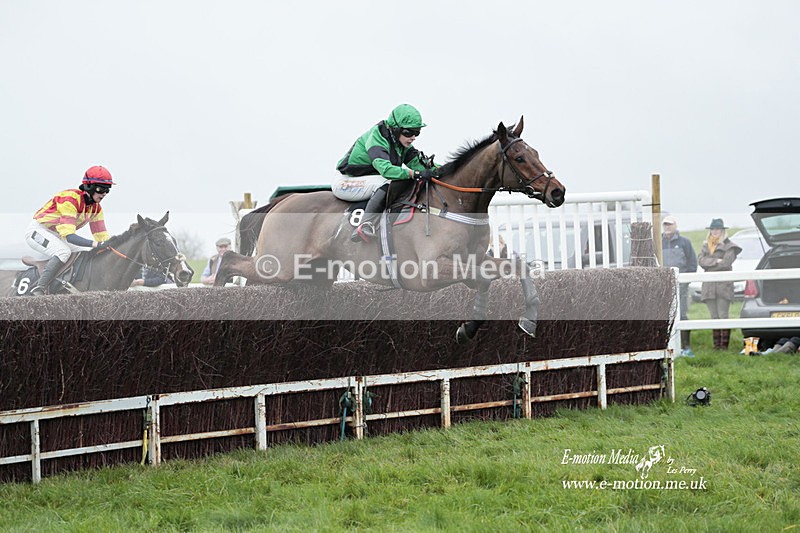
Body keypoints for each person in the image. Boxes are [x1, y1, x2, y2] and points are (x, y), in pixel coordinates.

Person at [336, 104, 437, 243]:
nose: (413, 137)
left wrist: (445, 171)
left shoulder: (402, 144)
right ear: (395, 129)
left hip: (369, 180)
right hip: (347, 182)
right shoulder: (376, 138)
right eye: (408, 132)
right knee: (388, 182)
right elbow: (386, 170)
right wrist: (415, 173)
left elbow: (423, 166)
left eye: (417, 132)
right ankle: (365, 224)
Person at [24, 165, 114, 296]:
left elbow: (102, 237)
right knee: (63, 251)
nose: (104, 194)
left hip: (57, 234)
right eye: (101, 189)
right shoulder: (70, 199)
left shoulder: (96, 209)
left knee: (85, 251)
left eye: (108, 190)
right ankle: (39, 288)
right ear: (89, 186)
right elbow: (70, 236)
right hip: (38, 230)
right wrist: (95, 244)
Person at [697, 218, 742, 350]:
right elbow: (700, 261)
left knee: (723, 315)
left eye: (717, 229)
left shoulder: (730, 246)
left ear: (722, 230)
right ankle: (716, 346)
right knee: (714, 316)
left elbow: (726, 263)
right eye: (713, 229)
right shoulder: (705, 245)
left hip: (723, 286)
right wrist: (716, 261)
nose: (715, 231)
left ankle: (724, 347)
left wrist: (710, 263)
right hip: (709, 286)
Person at [661, 215, 698, 357]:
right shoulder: (659, 242)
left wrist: (685, 282)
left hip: (681, 286)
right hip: (664, 287)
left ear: (675, 226)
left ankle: (686, 346)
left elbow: (692, 263)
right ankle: (668, 345)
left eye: (670, 224)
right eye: (665, 225)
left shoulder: (684, 243)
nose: (667, 227)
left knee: (682, 314)